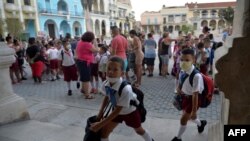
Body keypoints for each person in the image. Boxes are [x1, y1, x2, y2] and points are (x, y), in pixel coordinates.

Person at [90, 56, 154, 141]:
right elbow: (107, 97)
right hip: (116, 112)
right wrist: (100, 114)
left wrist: (100, 124)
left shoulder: (126, 89)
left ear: (122, 73)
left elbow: (118, 110)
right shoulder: (106, 83)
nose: (110, 72)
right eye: (108, 68)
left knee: (139, 130)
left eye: (115, 69)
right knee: (104, 132)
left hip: (130, 112)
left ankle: (150, 139)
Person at [172, 48, 207, 141]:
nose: (183, 62)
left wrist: (194, 111)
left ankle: (178, 138)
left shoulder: (196, 76)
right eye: (182, 59)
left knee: (183, 119)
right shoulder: (183, 70)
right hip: (184, 97)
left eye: (187, 60)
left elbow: (196, 95)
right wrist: (179, 88)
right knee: (189, 117)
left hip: (193, 100)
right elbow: (181, 80)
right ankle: (201, 124)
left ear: (193, 60)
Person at [76, 31, 99, 99]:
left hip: (80, 61)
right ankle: (87, 94)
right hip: (85, 62)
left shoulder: (80, 42)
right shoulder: (87, 44)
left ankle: (83, 90)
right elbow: (96, 50)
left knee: (83, 77)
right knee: (86, 79)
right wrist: (95, 42)